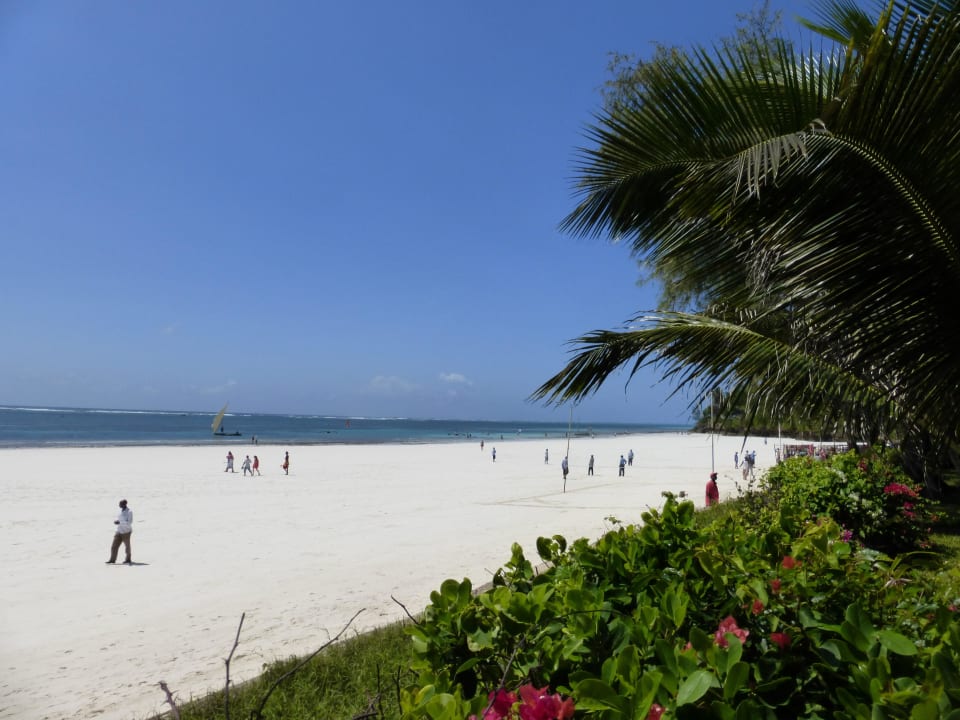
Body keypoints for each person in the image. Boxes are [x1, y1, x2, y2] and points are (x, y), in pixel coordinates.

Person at [106, 499, 133, 564]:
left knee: (127, 547)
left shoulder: (129, 512)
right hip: (119, 531)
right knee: (114, 546)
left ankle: (128, 559)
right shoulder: (120, 511)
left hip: (126, 532)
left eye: (120, 504)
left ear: (124, 504)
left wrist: (120, 522)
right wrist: (117, 521)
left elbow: (129, 522)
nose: (119, 505)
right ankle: (112, 560)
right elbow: (120, 519)